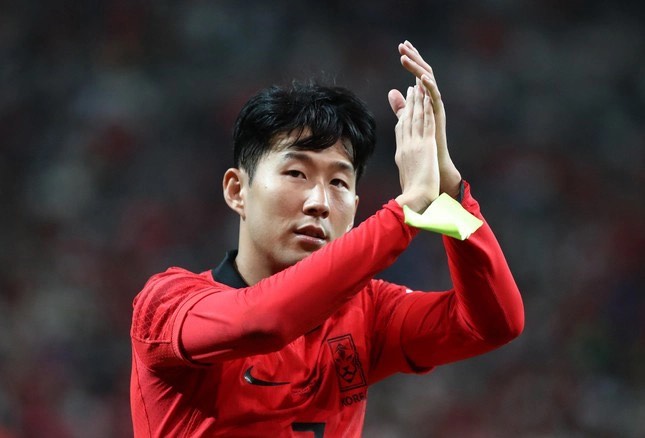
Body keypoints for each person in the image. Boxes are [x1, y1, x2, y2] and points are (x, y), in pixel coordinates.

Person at [130, 40, 524, 437]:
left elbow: (495, 324)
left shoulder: (367, 313)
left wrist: (449, 193)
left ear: (354, 209)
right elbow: (265, 322)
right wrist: (404, 213)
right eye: (296, 174)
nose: (319, 202)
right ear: (237, 190)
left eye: (338, 182)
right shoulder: (166, 305)